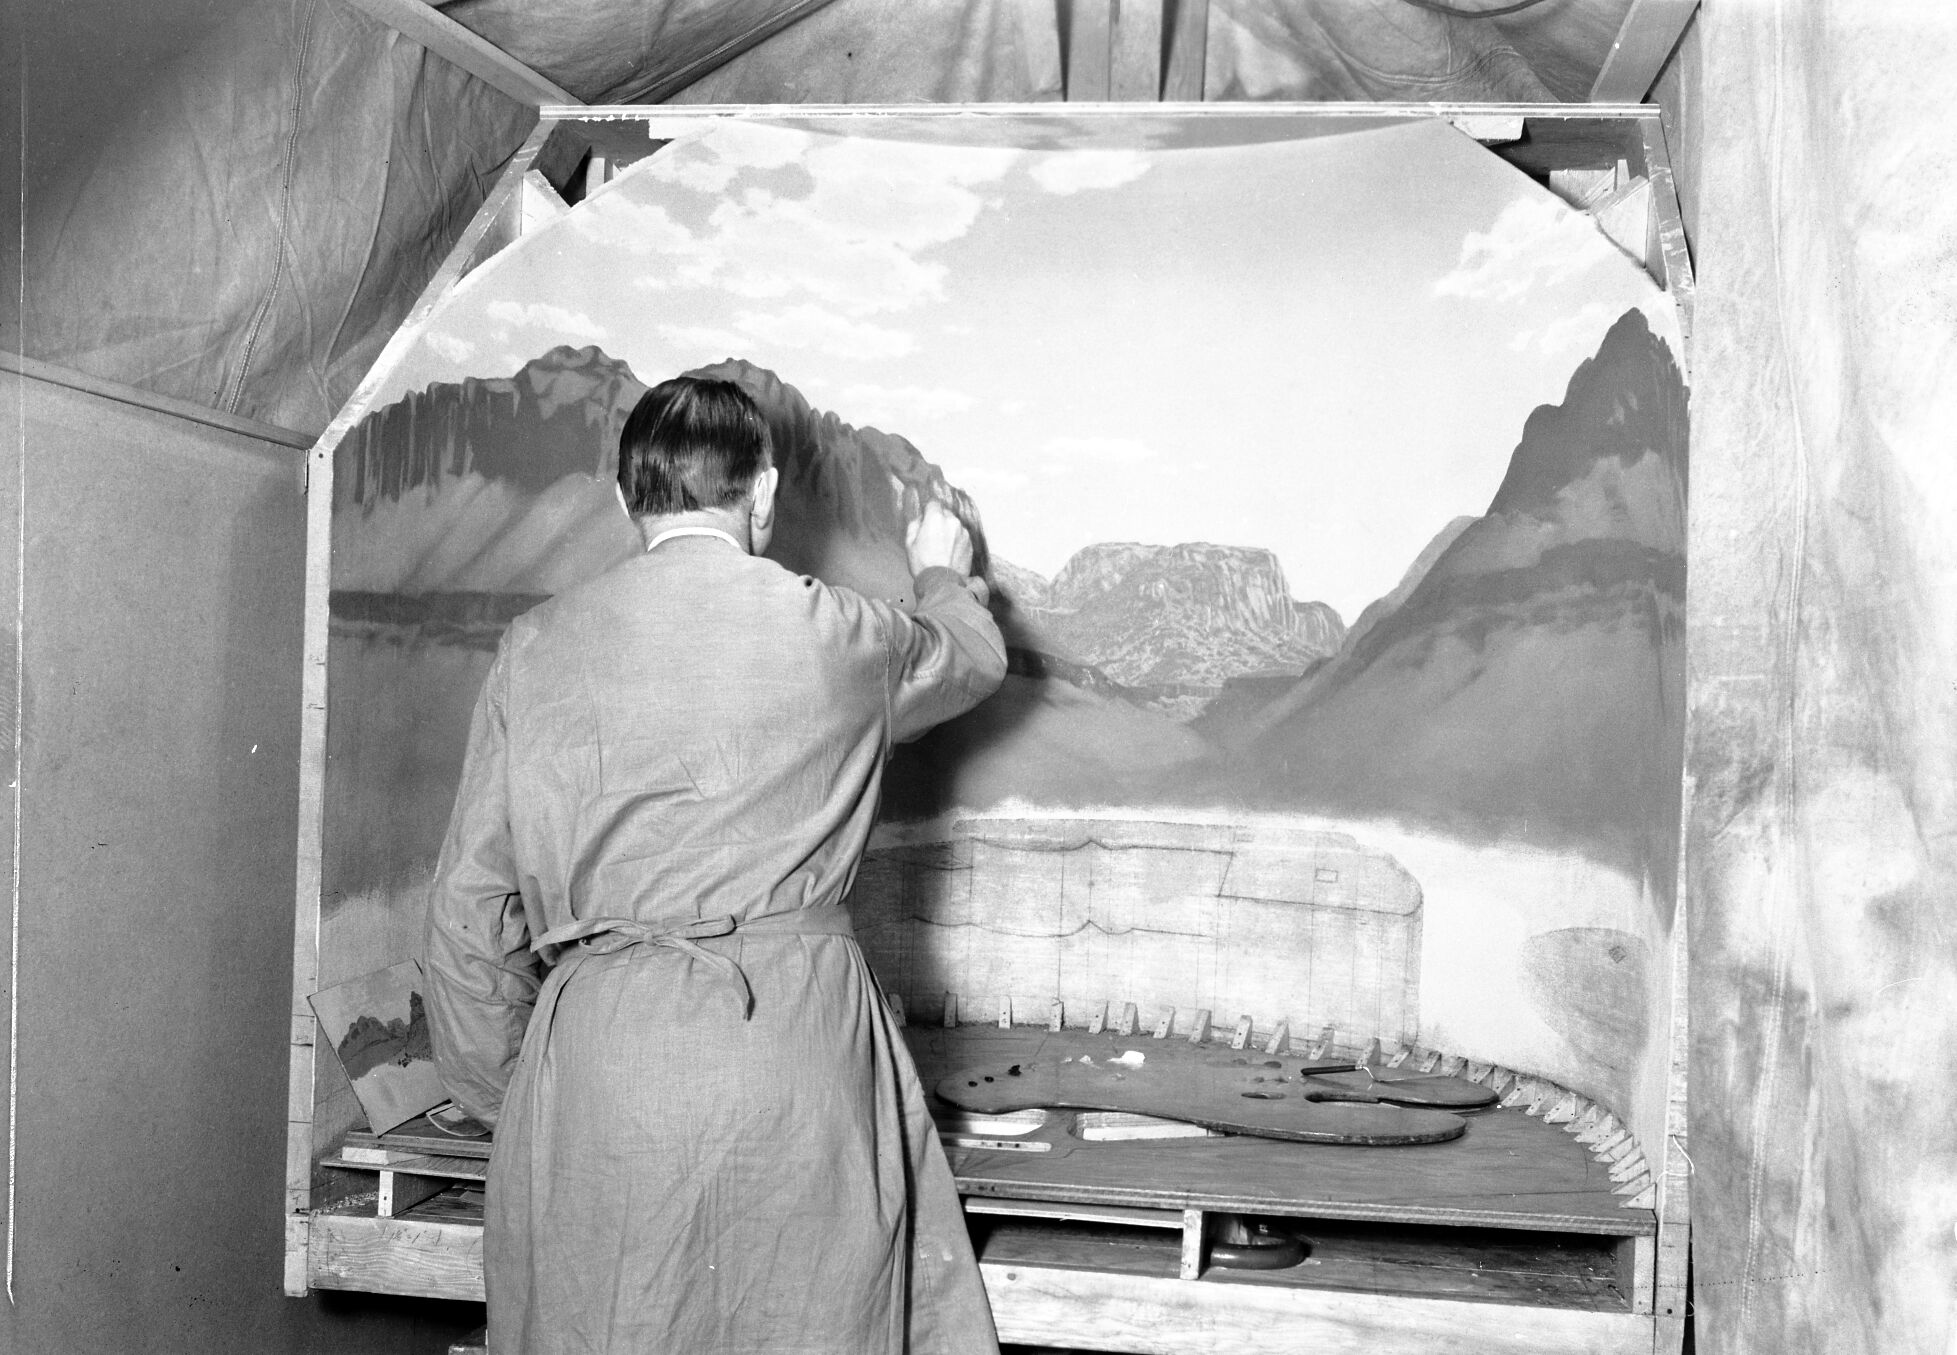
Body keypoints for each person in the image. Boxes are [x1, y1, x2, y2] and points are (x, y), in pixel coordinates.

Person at [423, 374, 1007, 1355]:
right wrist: (942, 570)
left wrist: (520, 1093)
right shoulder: (838, 630)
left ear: (627, 500)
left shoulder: (532, 648)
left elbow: (468, 912)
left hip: (604, 1062)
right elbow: (970, 655)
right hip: (792, 1051)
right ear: (765, 494)